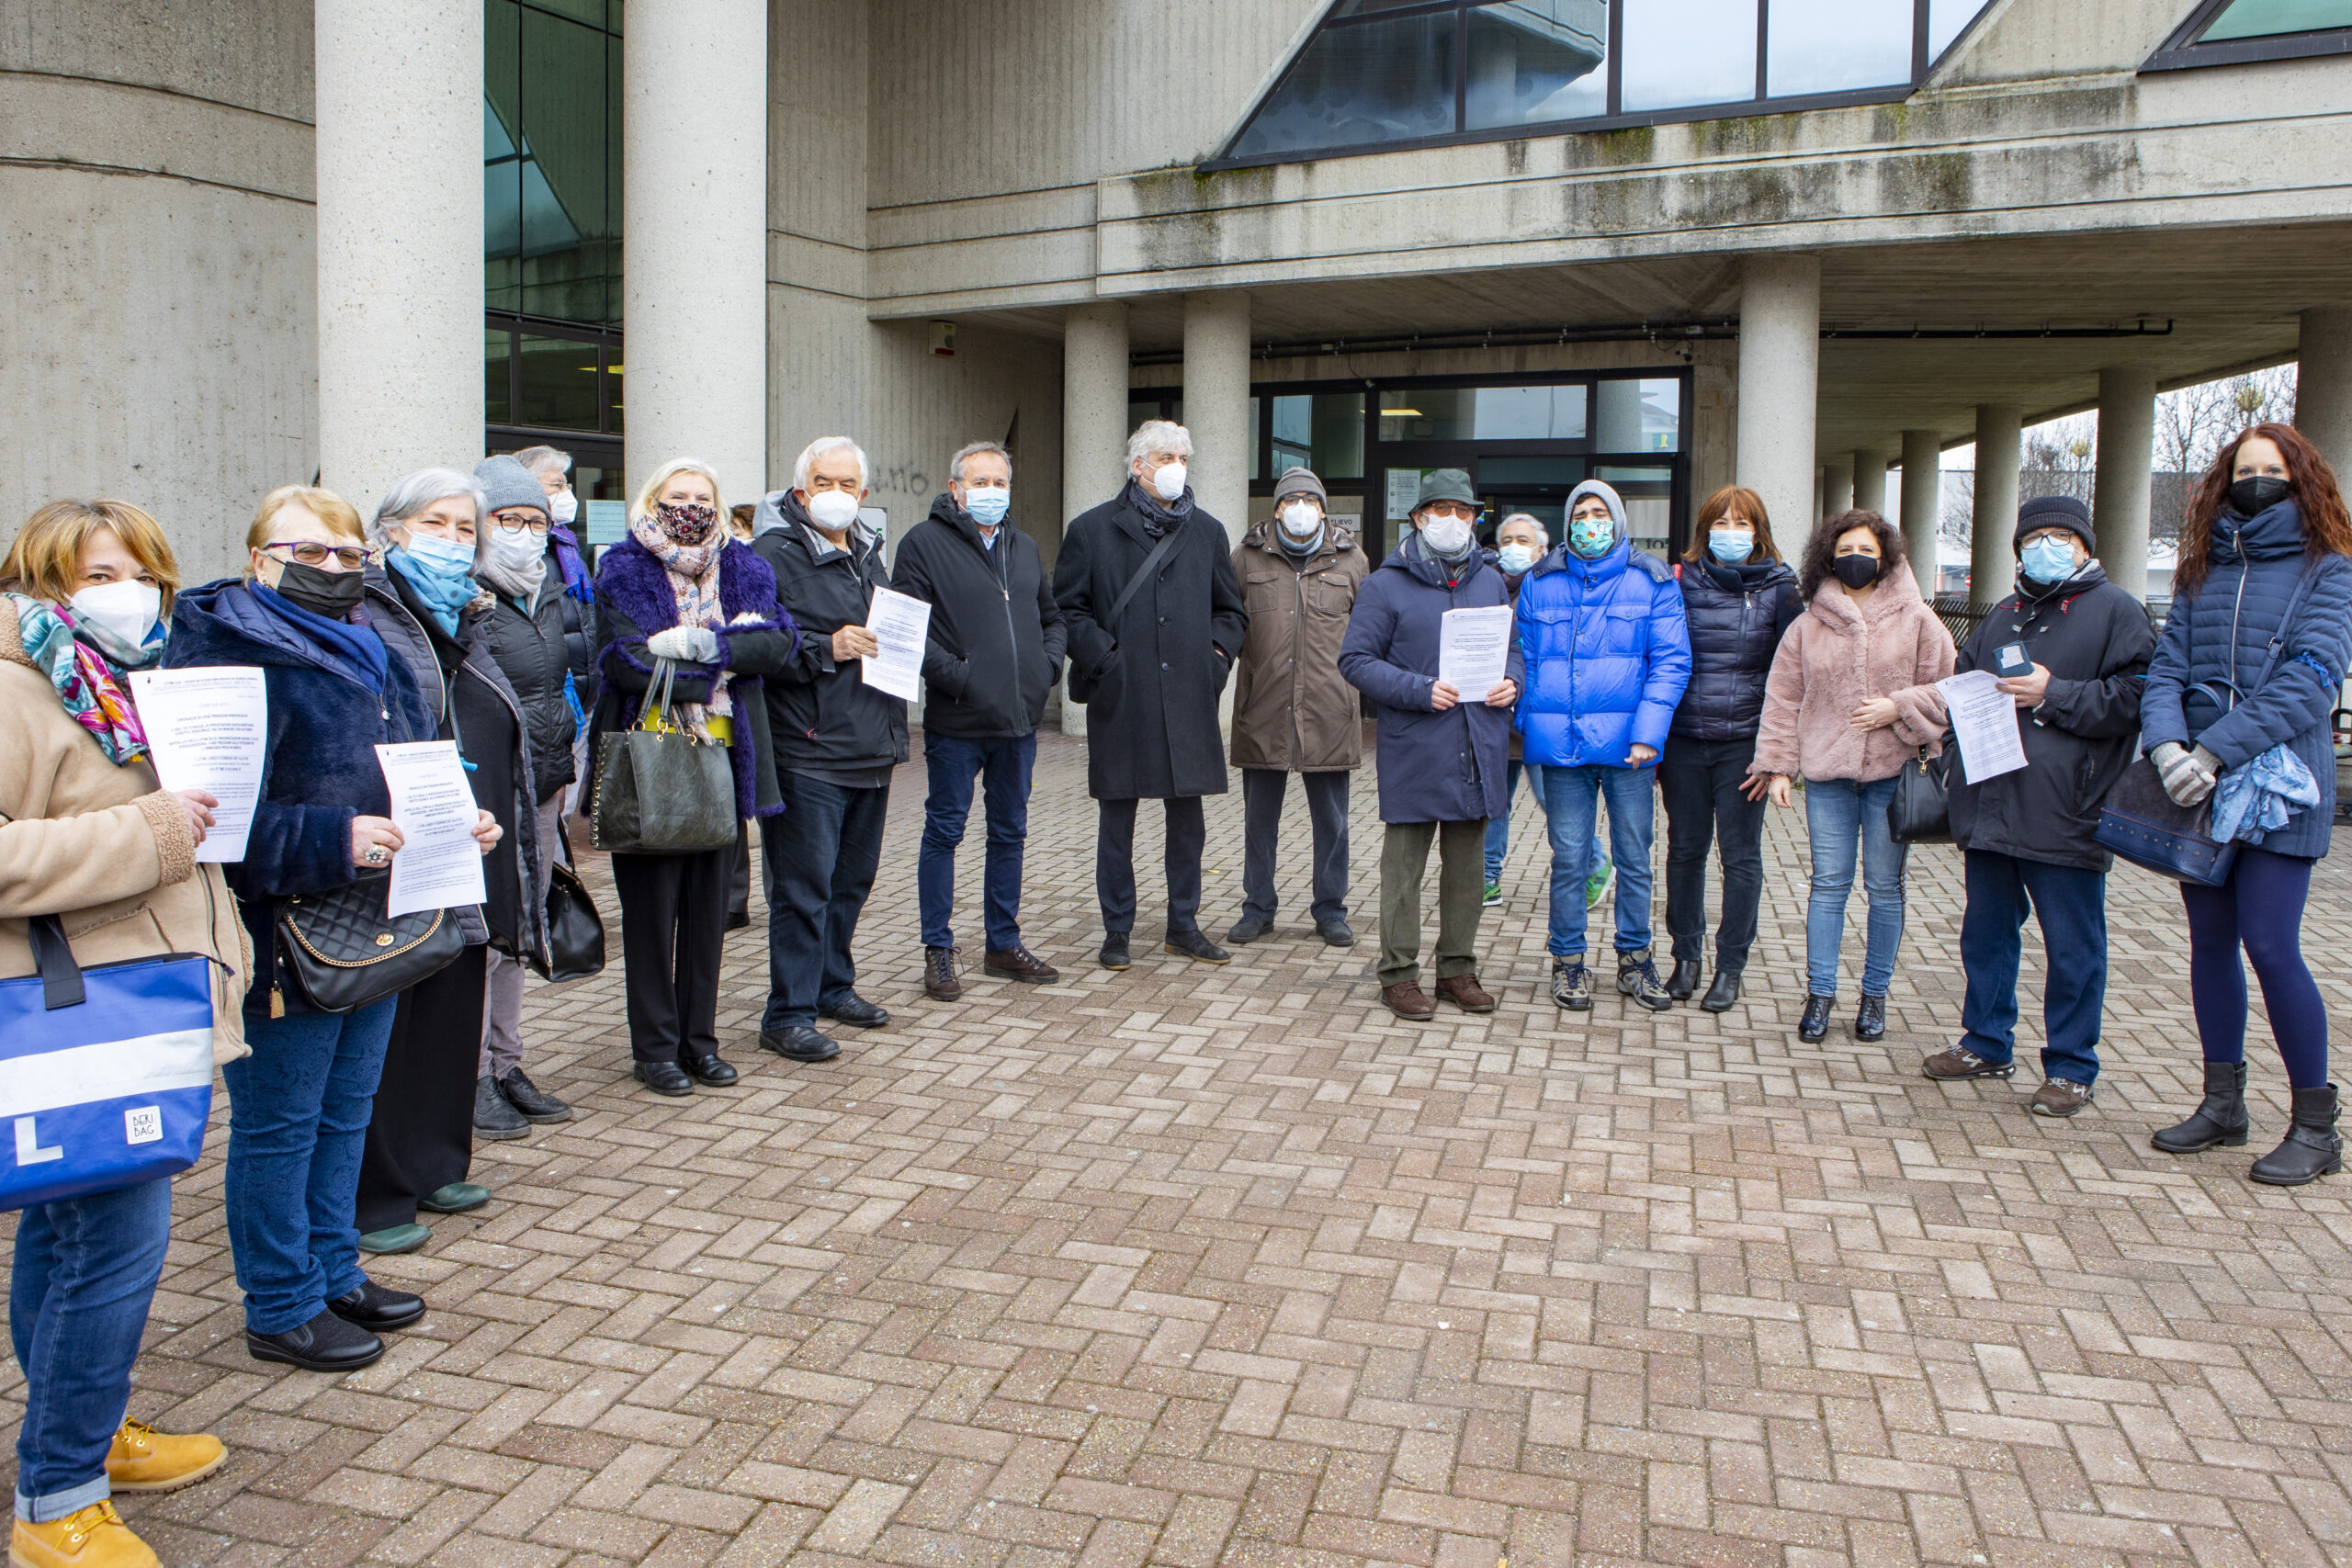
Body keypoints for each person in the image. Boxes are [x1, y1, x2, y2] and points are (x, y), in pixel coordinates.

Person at [168, 486, 474, 1373]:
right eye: (311, 553)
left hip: (372, 921)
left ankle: (334, 1268)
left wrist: (456, 816)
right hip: (281, 928)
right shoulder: (219, 654)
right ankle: (280, 1301)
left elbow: (410, 766)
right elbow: (210, 824)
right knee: (280, 1125)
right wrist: (332, 837)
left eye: (347, 554)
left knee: (346, 1113)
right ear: (260, 557)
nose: (334, 568)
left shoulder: (375, 643)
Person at [0, 501, 243, 1565]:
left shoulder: (120, 681)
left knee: (65, 1241)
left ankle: (85, 1433)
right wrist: (151, 828)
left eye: (142, 567)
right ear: (43, 584)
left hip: (132, 1003)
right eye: (99, 571)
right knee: (113, 1255)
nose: (127, 587)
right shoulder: (14, 690)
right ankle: (58, 1501)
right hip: (80, 1019)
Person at [2142, 423, 2352, 1184]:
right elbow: (2165, 668)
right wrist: (2167, 745)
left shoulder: (2328, 570)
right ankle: (2223, 1101)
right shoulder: (2201, 570)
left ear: (2302, 481)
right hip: (2199, 788)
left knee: (2271, 945)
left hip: (2280, 788)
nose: (2255, 481)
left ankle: (2316, 1126)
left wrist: (2214, 748)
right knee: (2208, 945)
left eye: (2272, 470)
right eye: (2242, 469)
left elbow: (2311, 678)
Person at [1913, 495, 2153, 1116]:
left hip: (2066, 810)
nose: (2046, 547)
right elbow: (1959, 688)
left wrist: (2056, 693)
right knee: (1986, 935)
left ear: (2085, 546)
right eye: (2034, 537)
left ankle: (2072, 1066)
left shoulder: (2117, 612)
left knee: (2073, 945)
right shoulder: (2003, 614)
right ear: (2017, 547)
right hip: (1991, 804)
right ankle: (1985, 1041)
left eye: (2060, 537)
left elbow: (2137, 698)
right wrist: (1948, 760)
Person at [351, 471, 540, 1256]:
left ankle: (434, 1161)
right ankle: (376, 1189)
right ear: (391, 529)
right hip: (401, 851)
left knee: (451, 1007)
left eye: (468, 530)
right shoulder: (372, 612)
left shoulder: (467, 614)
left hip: (465, 844)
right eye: (438, 524)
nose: (456, 543)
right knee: (394, 1023)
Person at [592, 459, 796, 1094]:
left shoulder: (746, 566)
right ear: (654, 500)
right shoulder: (623, 568)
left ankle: (698, 1042)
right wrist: (724, 665)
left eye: (702, 496)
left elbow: (779, 644)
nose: (690, 506)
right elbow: (624, 661)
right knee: (651, 919)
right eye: (677, 496)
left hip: (724, 762)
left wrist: (699, 647)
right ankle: (654, 1048)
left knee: (708, 917)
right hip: (654, 761)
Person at [1750, 510, 1954, 1043]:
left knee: (1885, 887)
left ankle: (1875, 996)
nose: (1855, 558)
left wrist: (1898, 706)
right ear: (1828, 555)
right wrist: (1777, 766)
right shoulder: (1808, 624)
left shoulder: (1919, 620)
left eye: (1866, 548)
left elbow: (1949, 687)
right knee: (1828, 885)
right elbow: (1783, 698)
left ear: (1885, 555)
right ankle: (1820, 994)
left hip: (1894, 771)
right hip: (1828, 774)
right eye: (1845, 550)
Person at [1054, 420, 1249, 970]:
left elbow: (1231, 611)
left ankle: (1183, 925)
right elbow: (1067, 609)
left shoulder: (1207, 531)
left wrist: (1215, 661)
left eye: (1182, 457)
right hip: (1124, 695)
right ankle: (1117, 929)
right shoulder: (1091, 529)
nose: (1176, 467)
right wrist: (1105, 659)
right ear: (1137, 466)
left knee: (1188, 822)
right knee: (1118, 818)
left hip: (1189, 696)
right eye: (1165, 456)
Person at [1339, 468, 1521, 1021]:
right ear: (1417, 518)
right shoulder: (1384, 584)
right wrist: (1418, 689)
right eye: (1439, 510)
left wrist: (1514, 681)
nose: (1452, 520)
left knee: (1467, 869)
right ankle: (1398, 974)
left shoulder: (1488, 580)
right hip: (1417, 742)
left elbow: (1511, 648)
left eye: (1463, 511)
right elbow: (1355, 660)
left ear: (1474, 519)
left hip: (1475, 741)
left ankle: (1457, 970)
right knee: (1404, 872)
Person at [749, 439, 908, 1062]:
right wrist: (824, 646)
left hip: (871, 741)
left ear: (863, 494)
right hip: (808, 748)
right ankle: (785, 1013)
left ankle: (831, 986)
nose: (835, 493)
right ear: (800, 490)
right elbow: (755, 645)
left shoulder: (867, 551)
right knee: (803, 887)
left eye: (847, 483)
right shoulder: (770, 557)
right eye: (823, 481)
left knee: (851, 881)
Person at [890, 440, 1067, 998]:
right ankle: (938, 950)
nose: (991, 492)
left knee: (1009, 833)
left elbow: (1052, 616)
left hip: (1018, 724)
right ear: (956, 489)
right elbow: (907, 631)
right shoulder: (922, 544)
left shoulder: (1023, 546)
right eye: (980, 482)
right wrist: (963, 678)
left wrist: (1046, 667)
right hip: (958, 723)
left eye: (1000, 483)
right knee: (945, 832)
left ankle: (1002, 944)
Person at [1517, 479, 1692, 1012]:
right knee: (1570, 859)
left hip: (1628, 750)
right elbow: (1521, 657)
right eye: (1580, 514)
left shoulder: (1653, 581)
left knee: (1634, 857)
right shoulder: (1539, 582)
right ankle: (1568, 962)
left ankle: (1634, 961)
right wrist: (1527, 718)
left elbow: (1671, 662)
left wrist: (1648, 733)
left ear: (1617, 520)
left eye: (1599, 513)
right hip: (1562, 748)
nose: (1588, 523)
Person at [468, 456, 590, 1141]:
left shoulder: (544, 588)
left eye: (533, 521)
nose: (522, 533)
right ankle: (473, 1072)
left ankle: (508, 1062)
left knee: (520, 931)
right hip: (488, 790)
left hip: (542, 782)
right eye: (507, 520)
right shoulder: (467, 594)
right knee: (483, 936)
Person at [1658, 486, 1803, 1011]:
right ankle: (1686, 958)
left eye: (1742, 524)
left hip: (1745, 744)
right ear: (1704, 530)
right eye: (1721, 523)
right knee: (1685, 850)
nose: (1731, 533)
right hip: (1684, 741)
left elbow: (1792, 680)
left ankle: (1731, 966)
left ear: (1759, 531)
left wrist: (1778, 756)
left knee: (1740, 857)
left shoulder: (1782, 590)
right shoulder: (1677, 581)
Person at [1226, 467, 1370, 949]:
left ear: (1324, 509)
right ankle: (1257, 908)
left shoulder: (1352, 561)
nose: (1301, 507)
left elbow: (1369, 635)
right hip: (1263, 709)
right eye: (1291, 500)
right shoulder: (1245, 558)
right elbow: (1226, 623)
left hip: (1329, 712)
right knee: (1257, 821)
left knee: (1333, 823)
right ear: (1276, 509)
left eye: (1310, 499)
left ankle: (1331, 910)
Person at [1482, 513, 1614, 909]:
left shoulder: (1553, 588)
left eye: (1523, 539)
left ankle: (1594, 863)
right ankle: (1487, 876)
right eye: (1506, 539)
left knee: (1553, 800)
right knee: (1493, 802)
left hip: (1541, 718)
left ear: (1541, 549)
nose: (1513, 546)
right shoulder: (1488, 587)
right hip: (1495, 716)